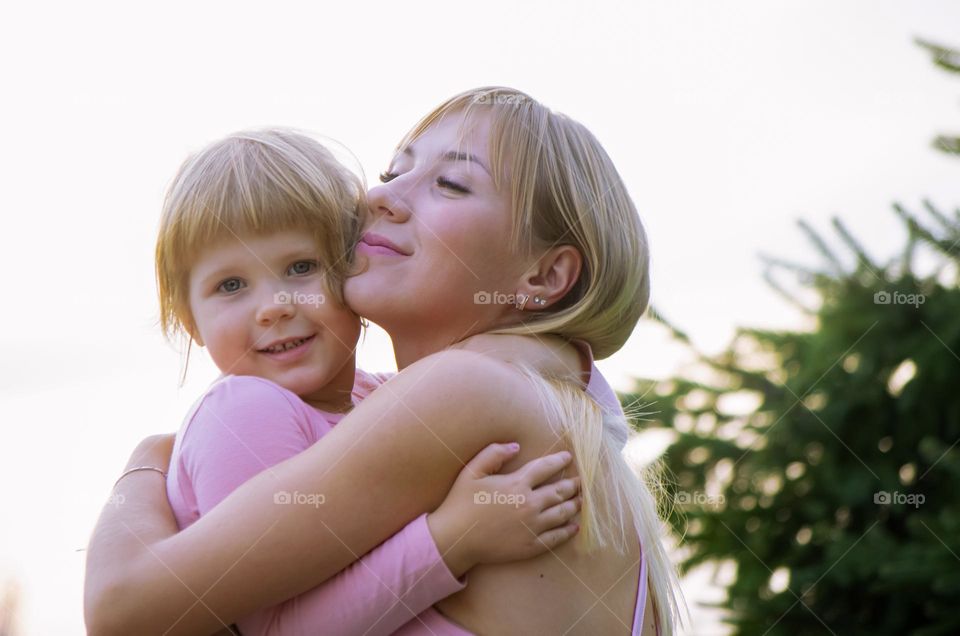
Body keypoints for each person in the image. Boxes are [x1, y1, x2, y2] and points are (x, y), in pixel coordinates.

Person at [85, 87, 687, 635]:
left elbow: (123, 611)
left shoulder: (468, 391)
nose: (379, 197)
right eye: (392, 172)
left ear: (544, 274)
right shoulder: (556, 401)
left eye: (450, 183)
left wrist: (144, 465)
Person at [131, 128, 584, 635]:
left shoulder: (382, 394)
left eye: (301, 268)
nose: (275, 306)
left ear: (353, 266)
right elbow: (282, 630)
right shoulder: (245, 408)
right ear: (190, 320)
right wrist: (453, 538)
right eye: (230, 285)